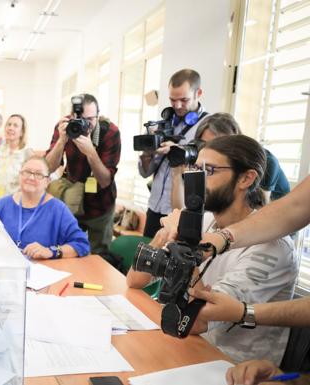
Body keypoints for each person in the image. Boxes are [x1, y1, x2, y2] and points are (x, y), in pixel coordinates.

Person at [127, 135, 297, 365]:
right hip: (187, 348)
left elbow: (196, 321)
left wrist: (184, 245)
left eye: (210, 170)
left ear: (246, 178)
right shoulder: (205, 220)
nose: (197, 180)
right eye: (197, 169)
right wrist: (164, 236)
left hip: (228, 366)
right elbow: (135, 279)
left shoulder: (274, 249)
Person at [45, 93, 121, 257]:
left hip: (100, 204)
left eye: (90, 119)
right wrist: (61, 141)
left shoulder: (110, 132)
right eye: (79, 118)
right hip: (71, 202)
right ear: (71, 116)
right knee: (68, 251)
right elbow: (48, 168)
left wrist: (91, 152)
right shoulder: (64, 126)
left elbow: (105, 180)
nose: (84, 124)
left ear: (98, 116)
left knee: (99, 256)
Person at [138, 69, 207, 238]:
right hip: (154, 207)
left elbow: (207, 167)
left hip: (181, 210)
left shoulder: (208, 127)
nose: (177, 106)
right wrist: (148, 152)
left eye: (184, 100)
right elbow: (144, 172)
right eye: (172, 100)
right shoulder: (163, 124)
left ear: (198, 93)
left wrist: (177, 151)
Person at [170, 113, 289, 209]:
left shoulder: (266, 162)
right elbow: (181, 210)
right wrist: (177, 174)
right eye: (205, 145)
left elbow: (261, 213)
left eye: (220, 145)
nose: (211, 151)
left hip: (280, 217)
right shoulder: (207, 164)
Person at [0, 155, 90, 259]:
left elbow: (81, 244)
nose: (31, 177)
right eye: (27, 172)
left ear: (47, 182)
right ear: (20, 175)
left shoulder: (58, 210)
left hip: (42, 271)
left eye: (38, 174)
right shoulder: (1, 205)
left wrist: (51, 251)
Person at [0, 114, 33, 206]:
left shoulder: (27, 153)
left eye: (15, 125)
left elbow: (29, 184)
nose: (11, 128)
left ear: (22, 132)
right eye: (9, 124)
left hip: (13, 206)